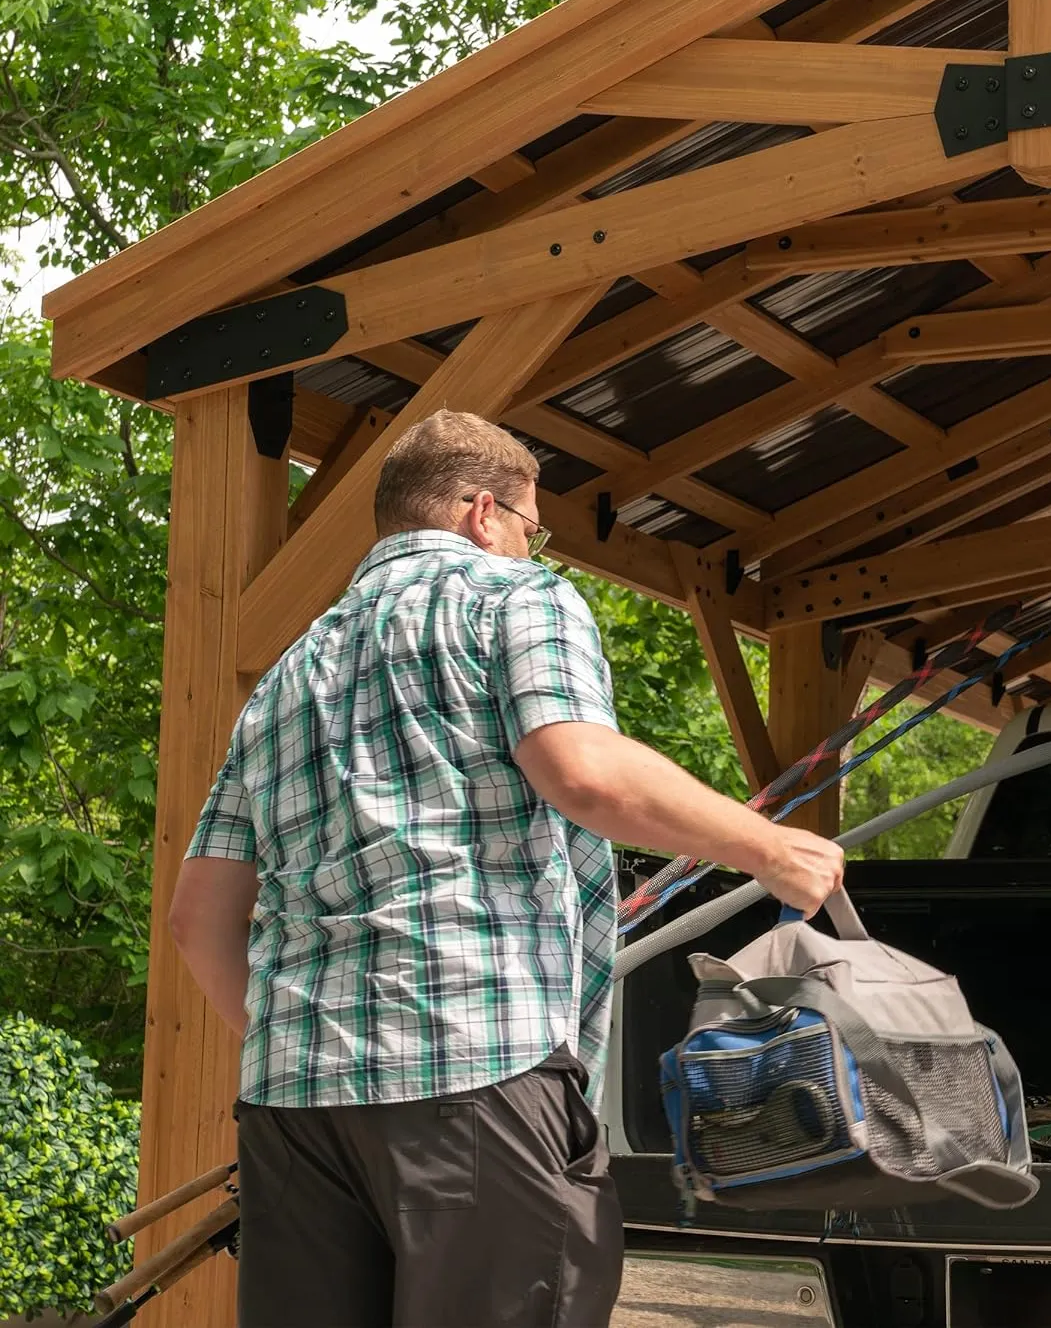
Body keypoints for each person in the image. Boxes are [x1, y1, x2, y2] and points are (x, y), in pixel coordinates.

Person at [168, 409, 845, 1328]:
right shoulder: (511, 598)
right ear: (484, 512)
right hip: (471, 1073)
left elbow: (197, 916)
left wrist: (297, 1046)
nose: (534, 547)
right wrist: (770, 847)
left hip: (294, 1104)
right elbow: (583, 772)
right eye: (534, 527)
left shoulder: (290, 672)